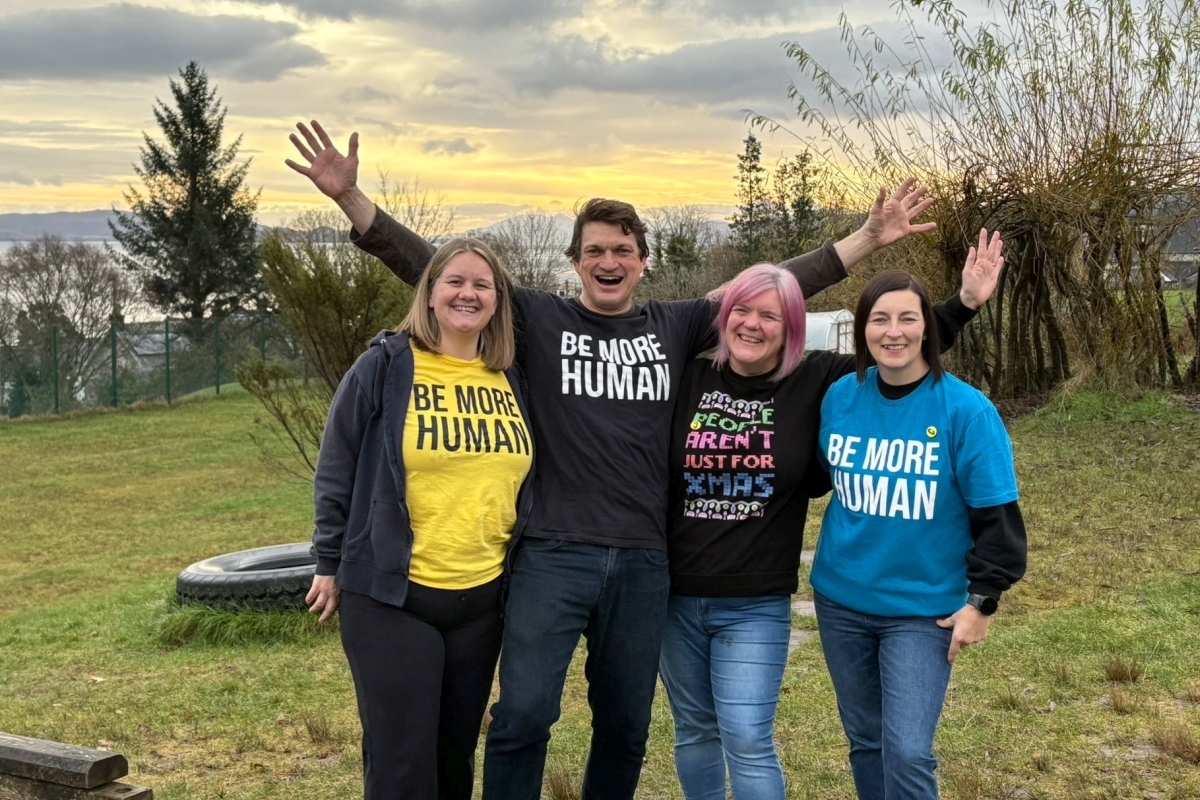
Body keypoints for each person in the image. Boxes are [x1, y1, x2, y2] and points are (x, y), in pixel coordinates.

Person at [287, 118, 934, 800]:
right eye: (595, 249)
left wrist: (868, 238)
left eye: (624, 249)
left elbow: (769, 289)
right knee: (524, 715)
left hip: (643, 559)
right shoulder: (539, 319)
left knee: (626, 727)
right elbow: (442, 273)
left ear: (642, 260)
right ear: (575, 262)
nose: (609, 260)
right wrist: (351, 202)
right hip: (551, 555)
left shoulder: (674, 326)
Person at [660, 230, 1004, 800]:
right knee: (695, 729)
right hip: (674, 592)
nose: (752, 324)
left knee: (747, 735)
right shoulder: (684, 378)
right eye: (740, 310)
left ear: (791, 326)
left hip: (755, 595)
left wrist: (963, 305)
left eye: (770, 315)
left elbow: (897, 347)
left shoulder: (817, 380)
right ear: (721, 319)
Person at [306, 237, 534, 800]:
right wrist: (328, 561)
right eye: (454, 281)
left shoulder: (513, 376)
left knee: (454, 759)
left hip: (481, 601)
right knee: (402, 765)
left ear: (499, 300)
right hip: (391, 596)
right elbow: (336, 466)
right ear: (430, 293)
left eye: (483, 284)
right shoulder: (384, 366)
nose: (468, 293)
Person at [811, 269, 1028, 800]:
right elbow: (817, 475)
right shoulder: (841, 396)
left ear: (928, 328)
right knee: (865, 739)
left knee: (907, 748)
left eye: (908, 318)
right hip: (840, 601)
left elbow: (998, 521)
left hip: (922, 610)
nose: (894, 331)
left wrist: (982, 601)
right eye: (879, 319)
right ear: (861, 329)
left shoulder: (966, 411)